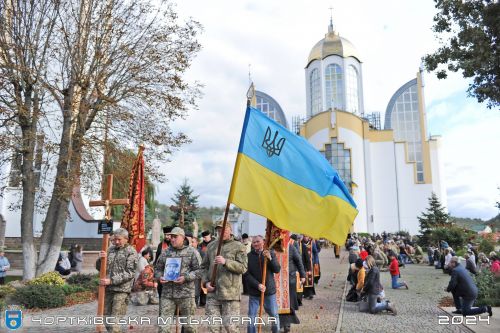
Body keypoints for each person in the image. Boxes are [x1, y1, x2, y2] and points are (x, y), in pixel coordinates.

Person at [201, 222, 248, 333]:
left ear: (230, 230)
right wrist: (205, 283)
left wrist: (226, 261)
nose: (221, 232)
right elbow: (203, 267)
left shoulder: (239, 246)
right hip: (213, 294)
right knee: (213, 328)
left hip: (230, 294)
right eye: (218, 230)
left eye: (224, 230)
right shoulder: (211, 246)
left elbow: (243, 268)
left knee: (231, 328)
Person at [155, 227, 202, 333]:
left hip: (186, 295)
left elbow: (199, 271)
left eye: (175, 237)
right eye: (171, 237)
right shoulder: (165, 252)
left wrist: (186, 278)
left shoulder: (192, 252)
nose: (172, 239)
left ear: (183, 238)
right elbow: (157, 269)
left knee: (189, 327)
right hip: (168, 295)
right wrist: (160, 277)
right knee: (163, 327)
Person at [95, 228, 138, 333]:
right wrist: (100, 259)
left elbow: (130, 272)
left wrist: (111, 280)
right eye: (114, 239)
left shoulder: (131, 251)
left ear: (126, 239)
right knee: (106, 318)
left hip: (121, 290)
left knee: (115, 322)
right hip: (108, 289)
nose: (116, 242)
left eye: (119, 239)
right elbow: (99, 268)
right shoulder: (110, 249)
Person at [244, 235, 281, 333]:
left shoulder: (270, 253)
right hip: (255, 292)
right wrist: (257, 285)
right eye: (254, 242)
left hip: (269, 291)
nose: (255, 244)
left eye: (257, 241)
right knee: (251, 316)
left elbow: (277, 269)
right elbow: (246, 274)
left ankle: (275, 331)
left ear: (263, 242)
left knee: (273, 314)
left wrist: (270, 259)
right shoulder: (248, 256)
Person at [280, 240, 305, 333]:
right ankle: (281, 322)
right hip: (278, 281)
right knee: (279, 303)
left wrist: (302, 275)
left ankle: (287, 324)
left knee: (288, 302)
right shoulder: (273, 248)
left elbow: (298, 261)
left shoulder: (291, 247)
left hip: (289, 279)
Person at [155, 226, 173, 298]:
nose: (167, 237)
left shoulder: (174, 244)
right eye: (165, 235)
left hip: (172, 271)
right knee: (161, 293)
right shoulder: (160, 245)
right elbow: (157, 259)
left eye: (168, 235)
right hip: (162, 273)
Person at [197, 230, 213, 307]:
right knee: (203, 284)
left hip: (212, 266)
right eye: (203, 237)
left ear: (210, 235)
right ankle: (203, 302)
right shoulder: (200, 245)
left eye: (205, 237)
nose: (204, 239)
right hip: (204, 267)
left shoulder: (214, 244)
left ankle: (210, 301)